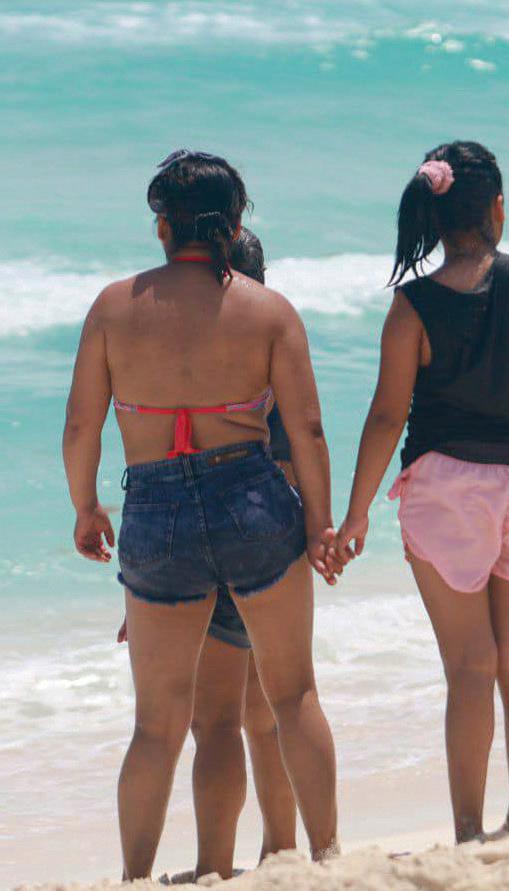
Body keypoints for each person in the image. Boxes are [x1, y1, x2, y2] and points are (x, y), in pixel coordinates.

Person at [63, 150, 341, 879]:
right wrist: (320, 524)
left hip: (155, 508)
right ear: (235, 225)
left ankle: (134, 877)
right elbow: (308, 429)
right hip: (251, 496)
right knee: (293, 695)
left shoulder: (113, 307)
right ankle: (327, 860)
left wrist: (86, 506)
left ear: (163, 226)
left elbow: (81, 425)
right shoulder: (268, 310)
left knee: (157, 726)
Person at [334, 142, 509, 843]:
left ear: (434, 217)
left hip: (448, 489)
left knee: (470, 667)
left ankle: (469, 829)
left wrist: (355, 514)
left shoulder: (413, 305)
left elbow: (386, 415)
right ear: (497, 209)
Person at [114, 229, 301, 880]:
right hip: (266, 546)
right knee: (270, 714)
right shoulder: (269, 346)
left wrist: (141, 596)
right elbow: (295, 460)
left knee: (217, 722)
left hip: (193, 552)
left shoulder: (190, 365)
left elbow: (168, 486)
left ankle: (213, 866)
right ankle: (282, 852)